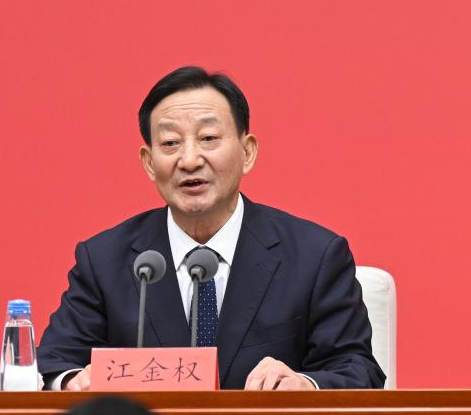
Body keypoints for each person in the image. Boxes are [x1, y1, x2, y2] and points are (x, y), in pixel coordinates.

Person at [37, 67, 385, 390]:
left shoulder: (315, 256)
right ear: (149, 162)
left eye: (208, 138)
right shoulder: (104, 260)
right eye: (170, 143)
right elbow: (55, 362)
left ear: (247, 152)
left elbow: (358, 369)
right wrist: (71, 382)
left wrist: (304, 384)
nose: (189, 160)